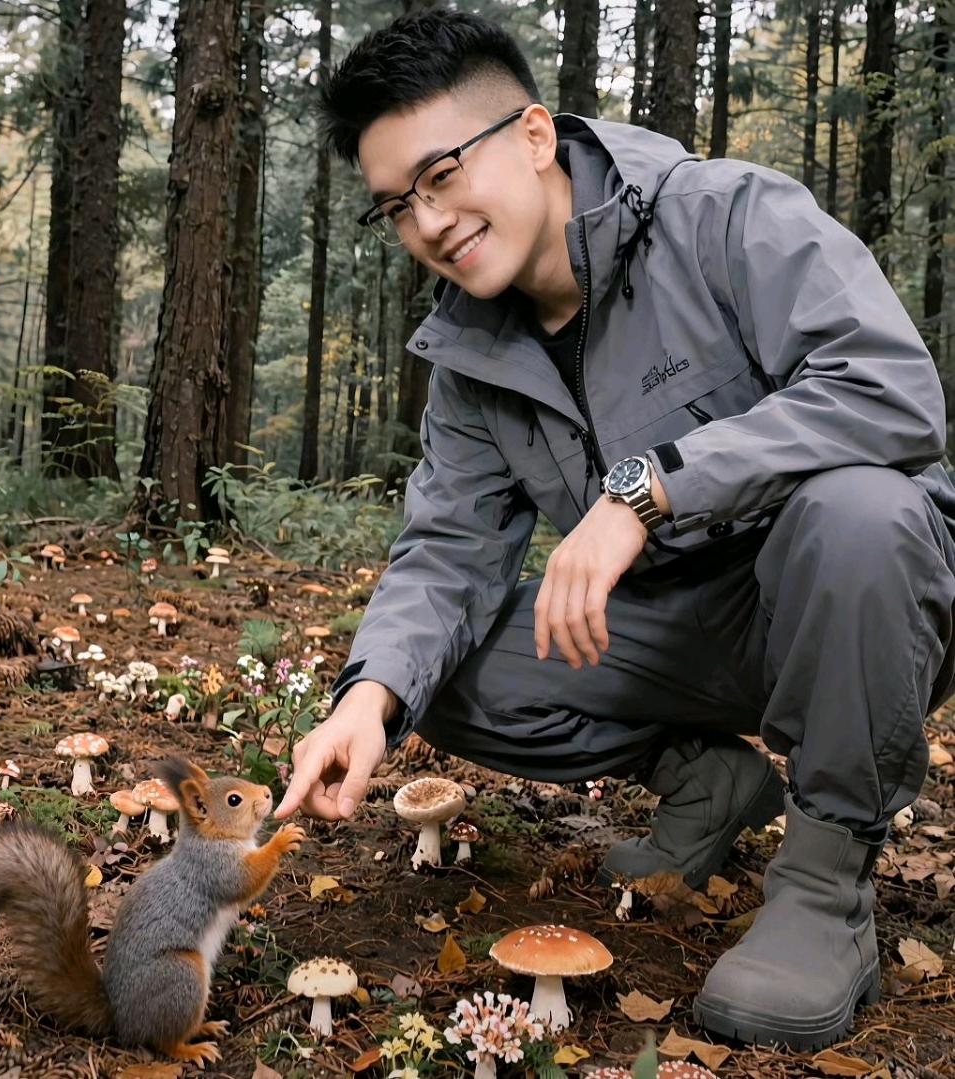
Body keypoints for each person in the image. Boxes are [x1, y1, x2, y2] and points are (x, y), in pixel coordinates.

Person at [275, 7, 955, 1052]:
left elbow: (890, 393)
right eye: (396, 204)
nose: (427, 221)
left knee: (859, 508)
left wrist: (646, 489)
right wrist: (367, 698)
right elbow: (447, 551)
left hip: (850, 604)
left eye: (442, 171)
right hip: (686, 637)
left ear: (535, 136)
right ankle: (705, 778)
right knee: (434, 673)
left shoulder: (727, 215)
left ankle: (823, 885)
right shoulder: (468, 358)